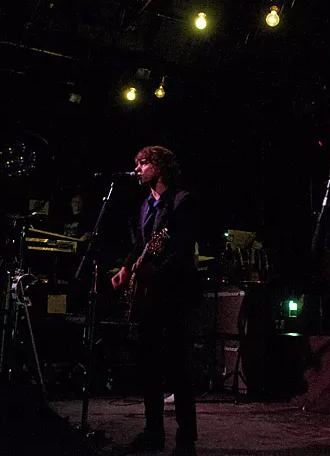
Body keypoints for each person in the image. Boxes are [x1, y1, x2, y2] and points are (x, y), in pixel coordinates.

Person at [110, 146, 200, 456]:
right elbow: (142, 243)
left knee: (177, 367)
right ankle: (153, 432)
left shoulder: (183, 201)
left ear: (158, 167)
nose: (137, 169)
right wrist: (126, 267)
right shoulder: (146, 204)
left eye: (142, 163)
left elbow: (182, 248)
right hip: (149, 295)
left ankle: (186, 439)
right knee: (148, 365)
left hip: (175, 293)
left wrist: (156, 270)